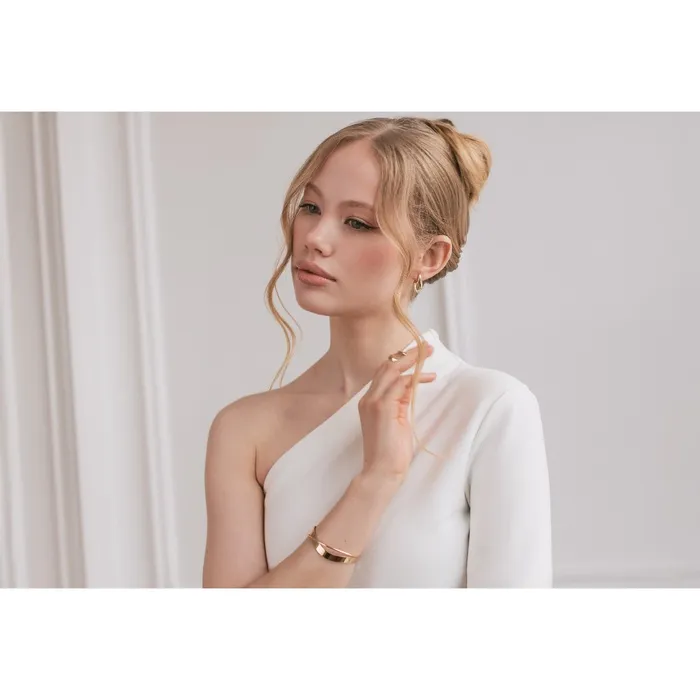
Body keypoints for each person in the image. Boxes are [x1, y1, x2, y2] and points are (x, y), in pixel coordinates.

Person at [202, 116, 552, 588]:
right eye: (310, 207)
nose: (314, 237)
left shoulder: (489, 409)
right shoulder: (243, 430)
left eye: (357, 223)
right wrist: (376, 480)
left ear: (430, 257)